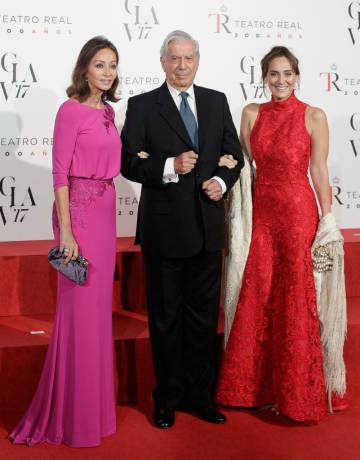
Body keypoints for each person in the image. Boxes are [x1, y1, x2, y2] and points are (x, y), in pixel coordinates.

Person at [216, 46, 348, 422]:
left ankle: (296, 393)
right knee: (259, 294)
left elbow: (319, 171)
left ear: (297, 76)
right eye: (274, 74)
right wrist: (225, 163)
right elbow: (244, 166)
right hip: (262, 216)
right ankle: (255, 388)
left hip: (297, 215)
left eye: (288, 73)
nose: (281, 81)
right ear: (264, 77)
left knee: (294, 297)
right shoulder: (251, 114)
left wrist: (328, 220)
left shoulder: (314, 116)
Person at [121, 30, 244, 428]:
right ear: (162, 62)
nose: (181, 65)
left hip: (208, 229)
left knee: (204, 320)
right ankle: (167, 398)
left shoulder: (216, 101)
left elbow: (234, 155)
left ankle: (201, 397)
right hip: (164, 231)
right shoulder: (142, 106)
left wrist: (221, 182)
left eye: (188, 58)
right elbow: (128, 163)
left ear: (197, 60)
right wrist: (167, 166)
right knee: (166, 319)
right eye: (174, 58)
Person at [9, 36, 121, 447]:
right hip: (78, 211)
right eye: (99, 65)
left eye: (112, 65)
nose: (106, 72)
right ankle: (70, 415)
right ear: (84, 69)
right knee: (78, 313)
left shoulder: (109, 112)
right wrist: (68, 230)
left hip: (106, 211)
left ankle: (95, 413)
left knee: (97, 316)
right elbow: (59, 174)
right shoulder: (69, 111)